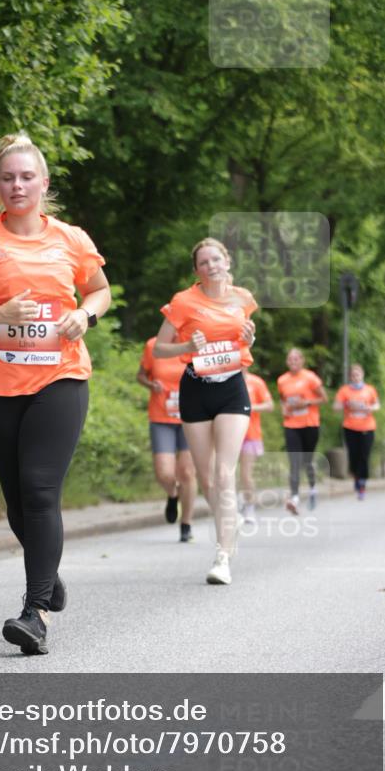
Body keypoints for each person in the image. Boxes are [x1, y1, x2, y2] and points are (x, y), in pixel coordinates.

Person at [0, 133, 111, 655]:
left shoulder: (71, 238)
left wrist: (85, 314)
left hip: (61, 377)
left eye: (27, 177)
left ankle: (34, 614)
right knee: (18, 505)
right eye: (8, 177)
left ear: (44, 184)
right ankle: (49, 573)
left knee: (39, 490)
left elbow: (99, 289)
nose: (17, 185)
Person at [154, 238, 257, 585]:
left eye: (216, 259)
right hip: (196, 388)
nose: (211, 266)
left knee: (225, 474)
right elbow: (159, 350)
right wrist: (187, 345)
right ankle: (231, 520)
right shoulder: (184, 302)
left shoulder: (242, 299)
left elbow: (244, 341)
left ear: (227, 261)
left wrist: (250, 338)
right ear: (197, 270)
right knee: (208, 478)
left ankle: (222, 557)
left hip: (231, 388)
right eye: (204, 262)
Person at [137, 338, 197, 541]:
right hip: (161, 416)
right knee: (164, 472)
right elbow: (141, 375)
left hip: (191, 416)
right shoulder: (153, 346)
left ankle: (186, 525)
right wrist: (150, 384)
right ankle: (173, 494)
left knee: (187, 473)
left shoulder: (194, 344)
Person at [276, 348, 328, 514]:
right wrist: (284, 409)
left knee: (307, 460)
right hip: (291, 424)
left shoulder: (310, 377)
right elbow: (283, 400)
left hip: (310, 424)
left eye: (296, 359)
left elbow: (324, 398)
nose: (293, 362)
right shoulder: (282, 380)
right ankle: (295, 498)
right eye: (290, 359)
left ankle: (313, 489)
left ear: (302, 360)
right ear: (287, 362)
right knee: (294, 462)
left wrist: (306, 403)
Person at [333, 364, 380, 500]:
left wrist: (370, 408)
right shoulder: (344, 391)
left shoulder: (370, 390)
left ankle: (362, 484)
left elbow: (377, 404)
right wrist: (346, 405)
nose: (355, 377)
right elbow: (336, 406)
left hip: (367, 427)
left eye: (357, 374)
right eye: (353, 375)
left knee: (364, 456)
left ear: (362, 375)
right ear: (350, 377)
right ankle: (356, 476)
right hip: (350, 427)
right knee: (353, 456)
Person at [239, 367, 274, 525]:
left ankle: (249, 507)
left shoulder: (256, 382)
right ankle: (232, 506)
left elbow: (269, 405)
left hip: (250, 434)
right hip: (229, 434)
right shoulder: (224, 381)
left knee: (246, 474)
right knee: (227, 472)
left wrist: (250, 407)